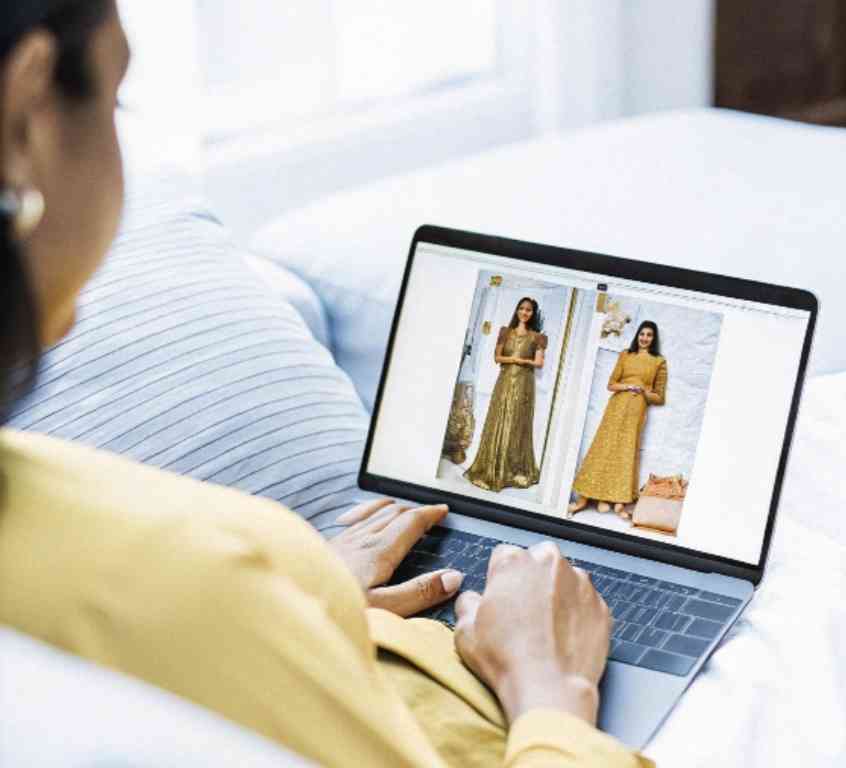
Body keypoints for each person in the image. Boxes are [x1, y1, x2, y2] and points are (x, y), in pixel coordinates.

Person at [0, 3, 642, 766]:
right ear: (28, 116)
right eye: (116, 99)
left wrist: (303, 607)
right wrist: (554, 691)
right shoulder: (176, 582)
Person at [570, 321, 668, 519]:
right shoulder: (625, 354)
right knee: (603, 446)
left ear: (653, 338)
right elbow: (611, 384)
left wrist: (643, 392)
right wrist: (628, 387)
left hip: (637, 409)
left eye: (649, 335)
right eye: (642, 334)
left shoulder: (659, 361)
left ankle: (619, 502)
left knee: (625, 451)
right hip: (616, 406)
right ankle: (585, 498)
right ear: (637, 335)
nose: (645, 338)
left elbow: (660, 397)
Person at [464, 297, 547, 492]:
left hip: (524, 383)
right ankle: (491, 467)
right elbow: (497, 357)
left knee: (517, 423)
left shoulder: (537, 337)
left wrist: (522, 361)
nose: (525, 312)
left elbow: (539, 363)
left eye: (529, 310)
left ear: (533, 314)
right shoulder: (505, 332)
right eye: (522, 308)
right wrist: (512, 358)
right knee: (499, 418)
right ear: (517, 310)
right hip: (504, 380)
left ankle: (511, 469)